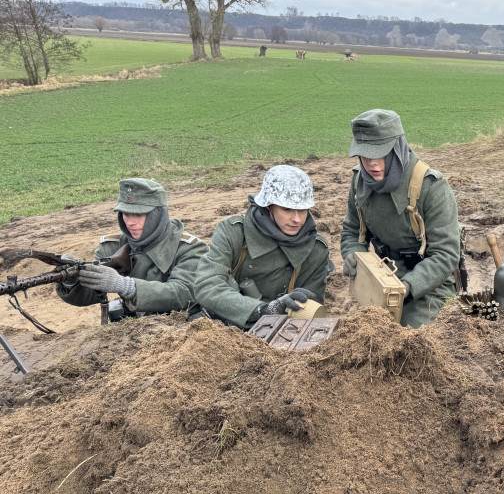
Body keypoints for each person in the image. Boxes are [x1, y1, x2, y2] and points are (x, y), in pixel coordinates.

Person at [340, 109, 461, 328]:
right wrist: (352, 256)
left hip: (430, 281)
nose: (372, 164)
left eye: (380, 153)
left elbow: (446, 255)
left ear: (397, 148)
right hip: (383, 275)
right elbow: (351, 230)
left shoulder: (431, 187)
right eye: (365, 155)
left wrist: (406, 287)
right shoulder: (359, 180)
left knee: (410, 339)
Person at [193, 164, 331, 330]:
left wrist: (291, 308)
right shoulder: (235, 232)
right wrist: (262, 310)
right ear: (268, 206)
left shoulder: (316, 249)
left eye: (302, 210)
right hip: (222, 325)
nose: (297, 219)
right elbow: (207, 287)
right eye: (287, 209)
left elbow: (310, 314)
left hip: (280, 333)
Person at [58, 178, 207, 319]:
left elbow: (183, 294)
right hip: (134, 334)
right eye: (126, 214)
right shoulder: (112, 247)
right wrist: (72, 280)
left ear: (157, 214)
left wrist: (127, 286)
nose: (130, 223)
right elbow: (90, 294)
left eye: (138, 215)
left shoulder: (191, 249)